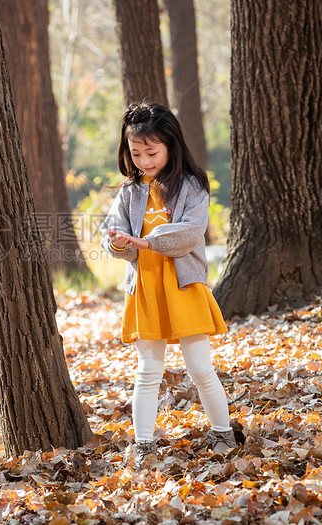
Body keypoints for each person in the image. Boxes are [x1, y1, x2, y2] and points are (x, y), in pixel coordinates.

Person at [100, 101, 236, 467]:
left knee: (200, 367)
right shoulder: (129, 192)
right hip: (145, 288)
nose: (144, 160)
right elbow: (111, 234)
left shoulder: (192, 185)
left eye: (152, 152)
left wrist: (150, 241)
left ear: (171, 146)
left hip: (183, 287)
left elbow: (191, 233)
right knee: (147, 372)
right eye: (136, 152)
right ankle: (143, 445)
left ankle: (223, 434)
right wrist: (117, 243)